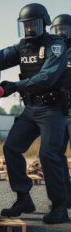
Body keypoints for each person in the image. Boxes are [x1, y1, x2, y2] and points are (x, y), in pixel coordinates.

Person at [0, 3, 69, 224]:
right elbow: (0, 58)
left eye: (33, 24)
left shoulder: (55, 46)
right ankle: (23, 198)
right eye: (25, 25)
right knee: (11, 148)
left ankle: (60, 207)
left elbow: (47, 77)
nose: (29, 29)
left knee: (48, 154)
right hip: (30, 109)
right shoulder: (22, 47)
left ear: (44, 24)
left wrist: (16, 86)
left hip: (52, 110)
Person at [50, 14, 71, 208]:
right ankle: (67, 195)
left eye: (64, 28)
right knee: (57, 154)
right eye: (57, 29)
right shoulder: (52, 52)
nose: (60, 32)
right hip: (59, 110)